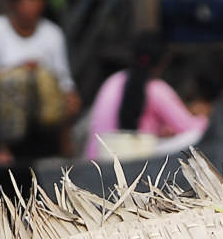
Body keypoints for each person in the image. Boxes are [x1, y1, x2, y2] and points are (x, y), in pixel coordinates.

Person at [0, 0, 82, 166]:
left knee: (46, 78)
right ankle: (4, 147)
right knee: (15, 79)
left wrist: (70, 95)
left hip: (42, 111)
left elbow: (64, 79)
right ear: (13, 2)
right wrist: (17, 69)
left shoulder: (53, 33)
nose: (32, 5)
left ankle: (64, 148)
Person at [82, 32, 208, 162]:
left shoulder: (113, 81)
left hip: (98, 159)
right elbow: (190, 128)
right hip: (133, 160)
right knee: (195, 136)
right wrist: (206, 114)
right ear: (164, 60)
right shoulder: (156, 89)